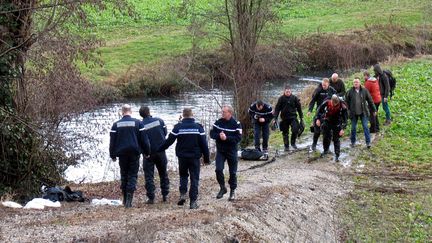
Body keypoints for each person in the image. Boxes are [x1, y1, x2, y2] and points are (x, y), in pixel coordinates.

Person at [158, 108, 210, 209]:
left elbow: (169, 141)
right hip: (195, 157)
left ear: (183, 115)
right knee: (194, 178)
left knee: (183, 176)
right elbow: (204, 144)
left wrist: (159, 149)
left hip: (182, 157)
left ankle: (182, 194)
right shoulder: (198, 128)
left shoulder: (178, 127)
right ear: (192, 115)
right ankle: (193, 202)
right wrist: (206, 158)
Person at [109, 104, 150, 208]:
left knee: (124, 175)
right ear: (130, 112)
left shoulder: (115, 125)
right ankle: (129, 199)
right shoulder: (138, 123)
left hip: (122, 154)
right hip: (134, 153)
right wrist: (147, 152)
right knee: (132, 175)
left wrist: (112, 154)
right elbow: (144, 140)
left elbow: (112, 142)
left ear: (122, 112)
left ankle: (124, 199)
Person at [210, 105, 242, 201]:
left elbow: (238, 138)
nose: (222, 113)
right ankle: (222, 187)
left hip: (232, 151)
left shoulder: (236, 124)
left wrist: (226, 138)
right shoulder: (218, 122)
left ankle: (232, 191)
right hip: (221, 150)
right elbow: (212, 134)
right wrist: (219, 136)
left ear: (230, 113)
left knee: (232, 172)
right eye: (222, 112)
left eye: (224, 112)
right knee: (218, 170)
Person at [139, 106, 170, 204]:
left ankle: (151, 197)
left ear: (141, 115)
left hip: (148, 154)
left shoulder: (140, 125)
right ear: (149, 112)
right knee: (163, 173)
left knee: (149, 176)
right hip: (160, 151)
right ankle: (165, 194)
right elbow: (165, 133)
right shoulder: (159, 121)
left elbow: (140, 140)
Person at [345, 78, 377, 148]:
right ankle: (353, 142)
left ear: (359, 83)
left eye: (357, 82)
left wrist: (374, 110)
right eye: (354, 82)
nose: (356, 83)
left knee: (365, 127)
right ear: (353, 84)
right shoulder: (350, 92)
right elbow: (346, 102)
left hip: (363, 112)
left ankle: (368, 143)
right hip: (354, 113)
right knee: (353, 128)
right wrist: (348, 110)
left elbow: (370, 100)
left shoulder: (364, 91)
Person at [316, 95, 348, 161]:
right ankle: (325, 150)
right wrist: (318, 119)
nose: (334, 105)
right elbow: (319, 111)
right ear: (331, 101)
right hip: (327, 121)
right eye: (333, 104)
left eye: (336, 104)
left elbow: (345, 119)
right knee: (325, 136)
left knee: (336, 139)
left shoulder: (343, 107)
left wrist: (342, 129)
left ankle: (337, 155)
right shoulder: (326, 103)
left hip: (337, 122)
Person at [307, 78, 336, 151]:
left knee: (328, 132)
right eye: (323, 85)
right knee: (317, 130)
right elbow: (313, 100)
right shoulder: (318, 90)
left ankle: (327, 148)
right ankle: (314, 144)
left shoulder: (332, 90)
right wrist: (310, 110)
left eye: (325, 85)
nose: (324, 86)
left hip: (328, 113)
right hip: (319, 112)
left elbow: (336, 99)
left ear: (328, 84)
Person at [274, 85, 304, 151]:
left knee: (295, 130)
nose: (288, 93)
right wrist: (275, 118)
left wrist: (301, 117)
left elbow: (299, 108)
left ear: (291, 91)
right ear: (284, 91)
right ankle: (286, 146)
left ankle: (293, 143)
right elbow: (277, 109)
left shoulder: (294, 98)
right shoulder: (281, 99)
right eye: (286, 92)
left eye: (289, 91)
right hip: (284, 118)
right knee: (285, 133)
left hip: (293, 117)